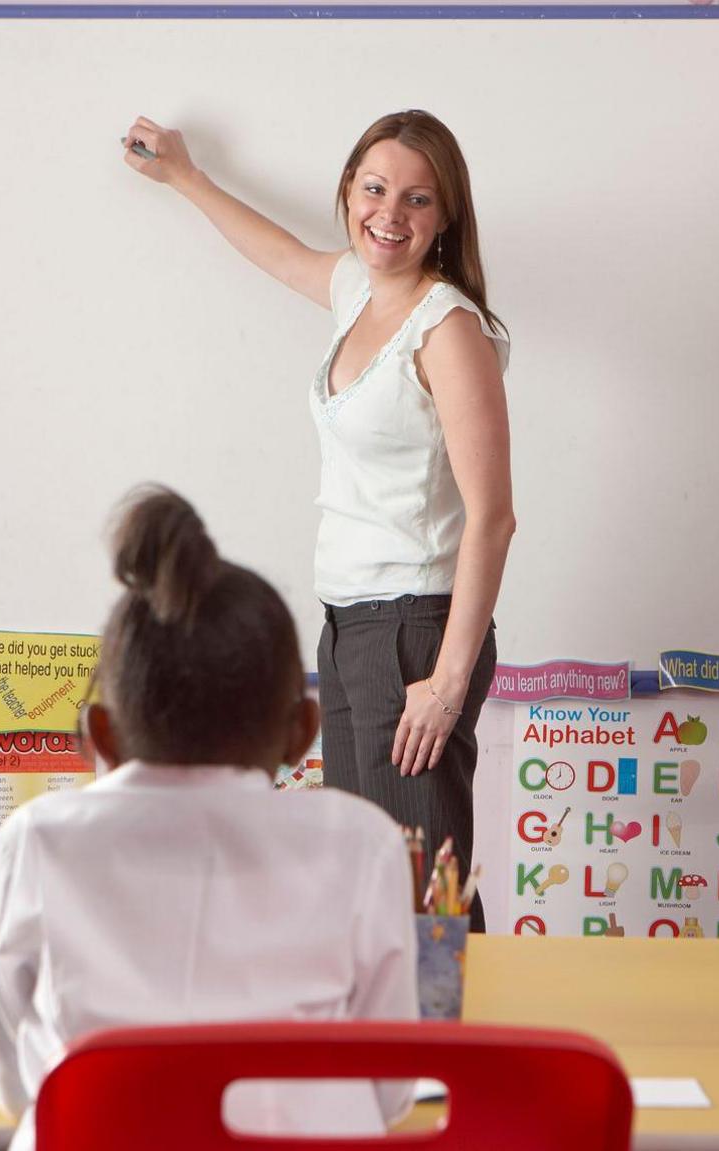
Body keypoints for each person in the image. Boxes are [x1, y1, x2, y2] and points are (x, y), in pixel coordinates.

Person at [123, 110, 511, 926]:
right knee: (366, 891)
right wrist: (187, 177)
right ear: (348, 190)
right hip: (349, 629)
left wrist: (444, 682)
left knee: (422, 902)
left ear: (445, 218)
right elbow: (278, 252)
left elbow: (493, 519)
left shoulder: (448, 330)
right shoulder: (355, 290)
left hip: (415, 631)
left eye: (417, 199)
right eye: (375, 189)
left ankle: (458, 1051)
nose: (390, 215)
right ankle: (386, 1055)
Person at [0, 488, 416, 1150]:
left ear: (101, 731)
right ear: (303, 733)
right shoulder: (361, 841)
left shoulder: (38, 838)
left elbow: (15, 1083)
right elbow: (389, 1089)